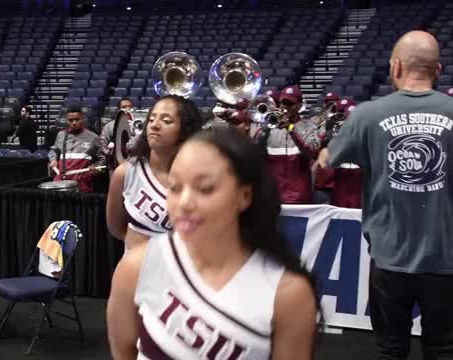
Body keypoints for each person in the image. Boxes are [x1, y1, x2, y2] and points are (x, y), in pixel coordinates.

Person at [107, 127, 318, 359]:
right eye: (175, 187)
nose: (184, 203)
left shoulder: (289, 295)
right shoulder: (137, 266)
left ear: (244, 195)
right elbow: (123, 348)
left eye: (205, 188)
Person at [319, 31, 453, 358]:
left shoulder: (366, 115)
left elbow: (325, 164)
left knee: (390, 350)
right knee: (445, 350)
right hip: (447, 259)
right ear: (437, 69)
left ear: (395, 66)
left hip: (389, 259)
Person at [106, 95, 205, 250]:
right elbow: (116, 228)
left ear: (185, 130)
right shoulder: (125, 173)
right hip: (136, 271)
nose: (155, 125)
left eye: (166, 121)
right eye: (151, 120)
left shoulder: (200, 180)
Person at [254, 85, 320, 204]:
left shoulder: (309, 127)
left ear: (299, 106)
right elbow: (255, 154)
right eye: (282, 103)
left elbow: (311, 151)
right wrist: (265, 129)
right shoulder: (271, 128)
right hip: (274, 197)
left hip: (300, 198)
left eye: (289, 103)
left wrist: (291, 128)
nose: (284, 107)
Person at [48, 105, 106, 192]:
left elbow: (103, 161)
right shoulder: (61, 135)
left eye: (77, 119)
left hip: (82, 186)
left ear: (82, 118)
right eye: (71, 120)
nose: (74, 123)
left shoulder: (93, 137)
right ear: (67, 120)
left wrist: (96, 169)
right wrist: (53, 159)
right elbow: (53, 151)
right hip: (60, 183)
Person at [101, 97, 135, 172]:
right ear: (119, 110)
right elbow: (103, 145)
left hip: (135, 166)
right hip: (115, 166)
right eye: (124, 107)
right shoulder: (109, 126)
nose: (127, 109)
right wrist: (113, 154)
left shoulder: (138, 126)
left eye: (130, 107)